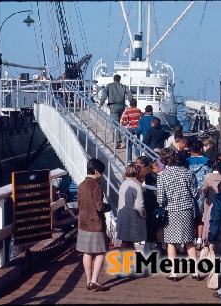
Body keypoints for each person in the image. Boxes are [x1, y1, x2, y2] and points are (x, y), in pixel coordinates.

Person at [156, 148, 201, 281]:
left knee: (171, 242)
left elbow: (160, 199)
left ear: (163, 160)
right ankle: (195, 272)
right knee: (189, 241)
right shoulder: (187, 173)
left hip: (171, 211)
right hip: (186, 210)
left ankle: (174, 273)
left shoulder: (162, 176)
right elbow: (195, 194)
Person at [76, 158, 110, 291]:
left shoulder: (81, 185)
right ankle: (95, 281)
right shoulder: (96, 185)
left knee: (87, 253)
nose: (102, 175)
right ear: (96, 172)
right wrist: (109, 207)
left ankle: (88, 280)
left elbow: (79, 205)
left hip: (83, 223)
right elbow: (99, 206)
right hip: (96, 224)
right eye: (101, 173)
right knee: (101, 252)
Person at [186, 140, 212, 248]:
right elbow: (208, 176)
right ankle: (200, 239)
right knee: (201, 216)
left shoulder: (186, 161)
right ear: (201, 149)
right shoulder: (207, 161)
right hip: (202, 192)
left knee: (190, 216)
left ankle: (190, 239)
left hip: (189, 192)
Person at [116, 163, 147, 251]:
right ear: (137, 173)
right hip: (133, 218)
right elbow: (139, 206)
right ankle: (124, 263)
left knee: (127, 243)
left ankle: (126, 263)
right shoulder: (136, 186)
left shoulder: (124, 184)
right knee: (127, 243)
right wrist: (143, 215)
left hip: (123, 216)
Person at [99, 74, 133, 148]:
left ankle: (118, 140)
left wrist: (100, 104)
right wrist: (132, 104)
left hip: (113, 106)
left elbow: (104, 95)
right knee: (121, 122)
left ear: (113, 79)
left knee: (115, 124)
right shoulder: (124, 86)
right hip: (122, 106)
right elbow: (129, 94)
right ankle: (123, 138)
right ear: (120, 79)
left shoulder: (109, 86)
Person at [199, 158, 221, 246]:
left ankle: (207, 242)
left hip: (210, 202)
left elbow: (204, 190)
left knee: (208, 223)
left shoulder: (207, 177)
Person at [143, 169, 159, 255]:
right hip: (155, 217)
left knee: (148, 239)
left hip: (144, 216)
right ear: (154, 182)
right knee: (153, 238)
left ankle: (146, 255)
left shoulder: (142, 190)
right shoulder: (157, 192)